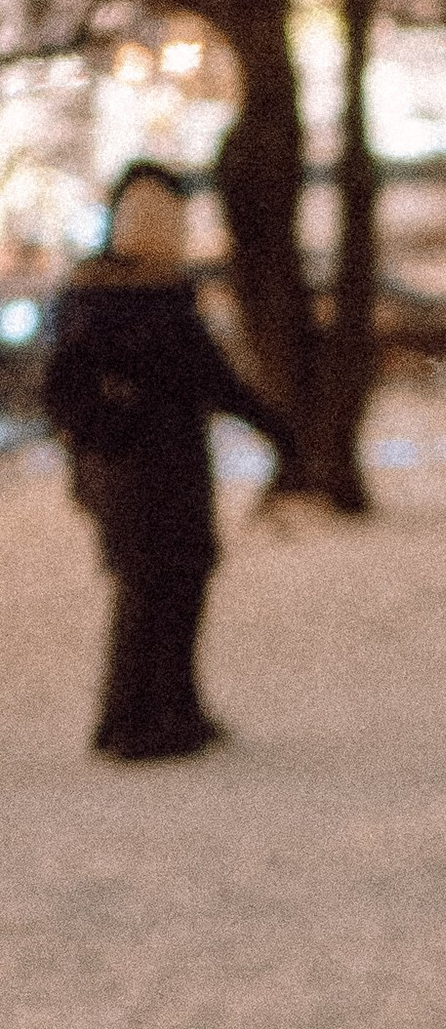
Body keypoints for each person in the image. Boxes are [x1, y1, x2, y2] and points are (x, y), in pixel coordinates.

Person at [40, 160, 299, 760]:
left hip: (178, 465)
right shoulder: (98, 297)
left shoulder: (166, 294)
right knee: (146, 585)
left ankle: (175, 707)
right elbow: (65, 390)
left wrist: (275, 429)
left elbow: (210, 377)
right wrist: (114, 433)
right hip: (127, 472)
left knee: (185, 578)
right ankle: (128, 722)